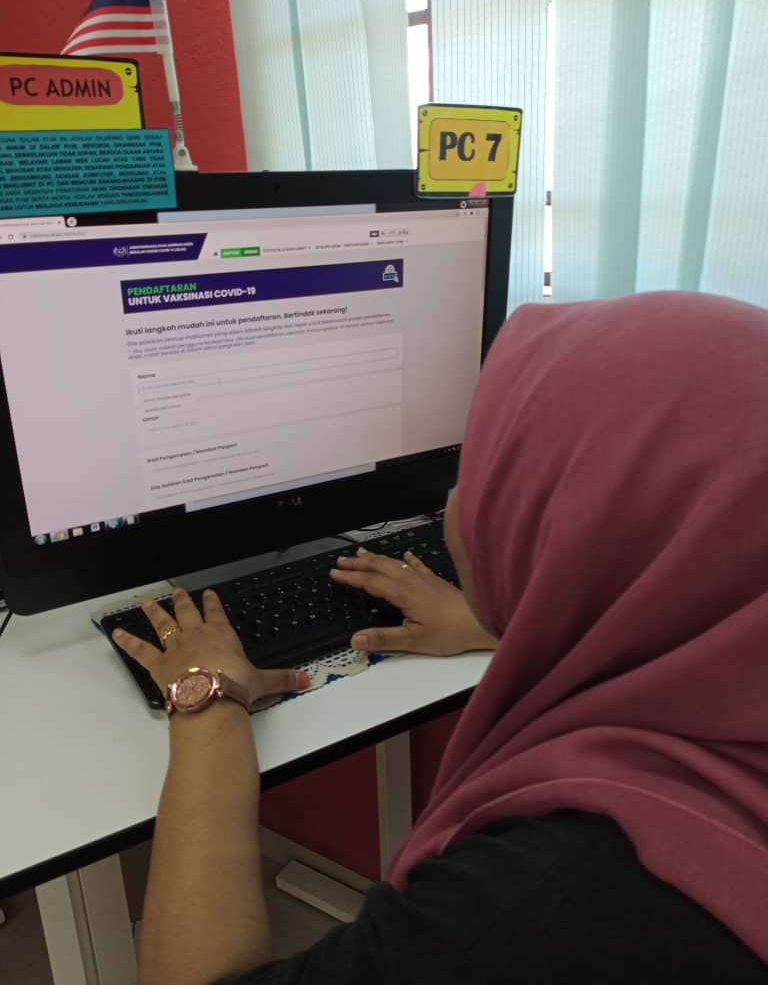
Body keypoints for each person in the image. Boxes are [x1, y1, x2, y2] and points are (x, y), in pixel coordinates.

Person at [113, 291, 768, 984]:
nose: (454, 506)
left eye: (484, 469)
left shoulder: (543, 906)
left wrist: (207, 700)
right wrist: (509, 626)